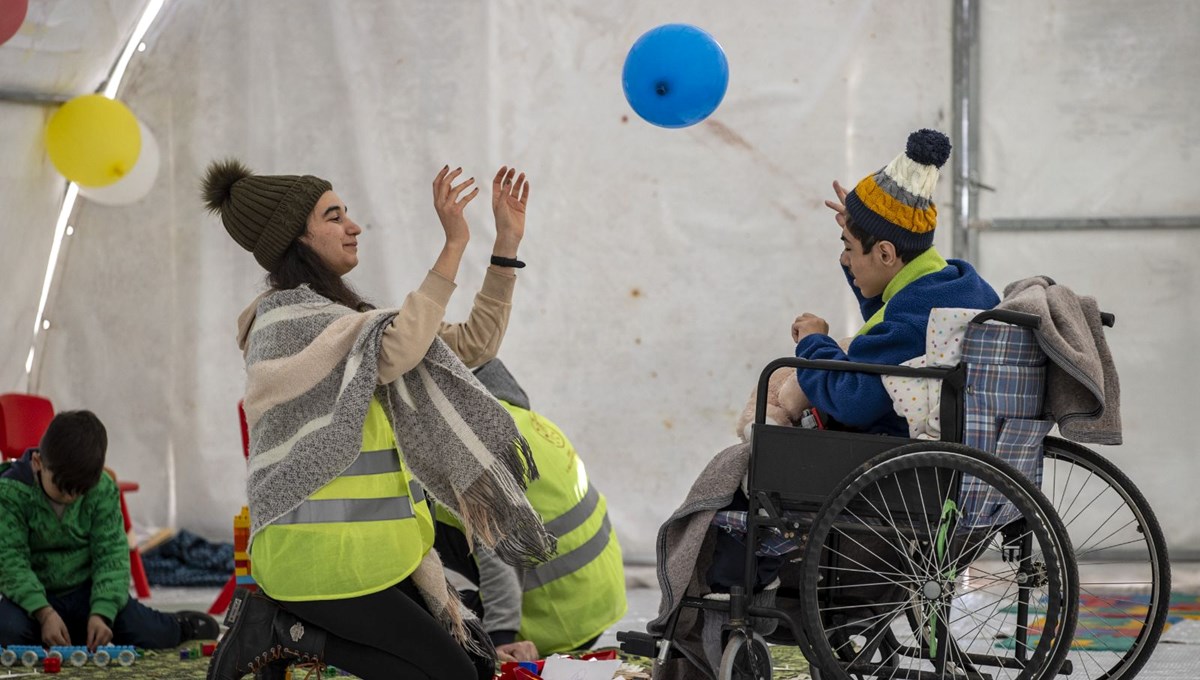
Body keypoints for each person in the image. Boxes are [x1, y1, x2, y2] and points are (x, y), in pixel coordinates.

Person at [201, 160, 554, 680]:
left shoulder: (348, 326)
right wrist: (454, 243)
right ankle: (283, 629)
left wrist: (505, 247)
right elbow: (402, 348)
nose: (353, 226)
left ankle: (295, 632)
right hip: (314, 560)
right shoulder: (283, 324)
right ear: (297, 238)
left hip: (374, 555)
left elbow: (475, 343)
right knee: (451, 677)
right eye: (334, 216)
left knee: (475, 671)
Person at [791, 128, 1000, 436]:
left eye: (848, 247)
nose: (845, 259)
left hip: (897, 459)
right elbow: (890, 323)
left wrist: (813, 342)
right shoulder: (958, 284)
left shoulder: (914, 321)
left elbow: (851, 400)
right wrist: (862, 232)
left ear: (886, 253)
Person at [434, 359, 626, 661]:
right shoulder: (521, 419)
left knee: (422, 514)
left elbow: (498, 550)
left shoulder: (471, 444)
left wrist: (500, 638)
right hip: (597, 603)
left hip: (551, 622)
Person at [0, 410, 219, 650]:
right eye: (62, 489)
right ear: (38, 463)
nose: (71, 498)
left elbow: (112, 556)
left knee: (151, 633)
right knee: (8, 630)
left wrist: (102, 612)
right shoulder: (11, 493)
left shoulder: (102, 489)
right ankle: (62, 632)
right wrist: (44, 613)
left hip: (88, 593)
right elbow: (11, 562)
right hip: (34, 601)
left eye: (80, 491)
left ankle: (179, 626)